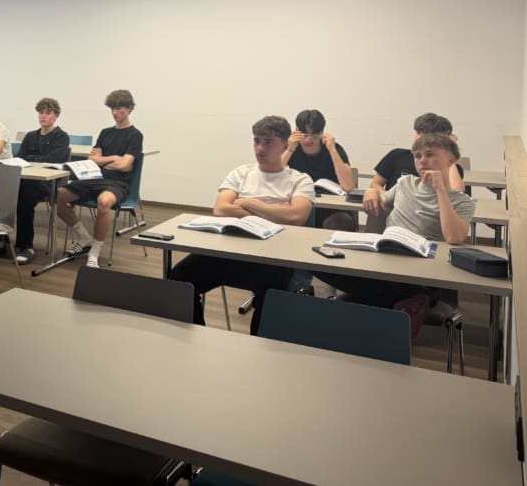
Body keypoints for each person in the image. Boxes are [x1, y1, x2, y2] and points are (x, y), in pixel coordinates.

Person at [168, 116, 315, 335]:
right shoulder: (241, 173)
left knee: (269, 300)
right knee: (178, 282)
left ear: (285, 145)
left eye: (268, 142)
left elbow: (296, 217)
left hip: (273, 257)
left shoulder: (300, 180)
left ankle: (257, 348)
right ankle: (194, 339)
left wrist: (248, 202)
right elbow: (221, 209)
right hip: (229, 252)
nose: (260, 148)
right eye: (256, 141)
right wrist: (275, 210)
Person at [317, 133, 474, 337]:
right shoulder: (405, 183)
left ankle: (414, 300)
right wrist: (372, 192)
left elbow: (454, 237)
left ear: (450, 161)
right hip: (387, 262)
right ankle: (415, 301)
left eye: (430, 154)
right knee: (321, 265)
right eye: (417, 156)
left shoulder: (462, 201)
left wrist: (440, 191)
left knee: (359, 296)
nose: (422, 161)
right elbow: (381, 199)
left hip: (424, 272)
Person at [56, 89, 143, 269]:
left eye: (119, 109)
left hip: (118, 183)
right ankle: (84, 237)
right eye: (112, 109)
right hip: (94, 178)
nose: (115, 113)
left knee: (104, 202)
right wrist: (113, 158)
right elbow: (92, 160)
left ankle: (94, 251)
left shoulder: (135, 135)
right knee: (59, 195)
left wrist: (103, 160)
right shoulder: (105, 132)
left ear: (129, 108)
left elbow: (125, 166)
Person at [364, 112, 465, 218]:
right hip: (395, 213)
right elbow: (376, 183)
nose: (418, 138)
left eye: (426, 135)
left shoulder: (449, 167)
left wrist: (449, 151)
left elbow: (457, 192)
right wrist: (388, 197)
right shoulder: (397, 155)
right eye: (418, 132)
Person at [13, 97, 71, 264]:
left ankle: (25, 246)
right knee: (4, 189)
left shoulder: (61, 137)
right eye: (41, 113)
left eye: (48, 113)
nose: (43, 116)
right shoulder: (31, 136)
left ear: (56, 116)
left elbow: (52, 160)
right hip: (28, 179)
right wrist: (36, 158)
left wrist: (31, 158)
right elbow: (20, 158)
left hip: (48, 183)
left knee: (24, 194)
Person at [281, 109, 357, 230]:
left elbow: (349, 187)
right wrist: (289, 149)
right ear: (296, 131)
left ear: (322, 133)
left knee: (341, 221)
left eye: (314, 136)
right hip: (298, 202)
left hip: (330, 208)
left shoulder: (334, 148)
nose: (308, 140)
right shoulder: (290, 148)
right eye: (304, 135)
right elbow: (273, 174)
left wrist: (332, 149)